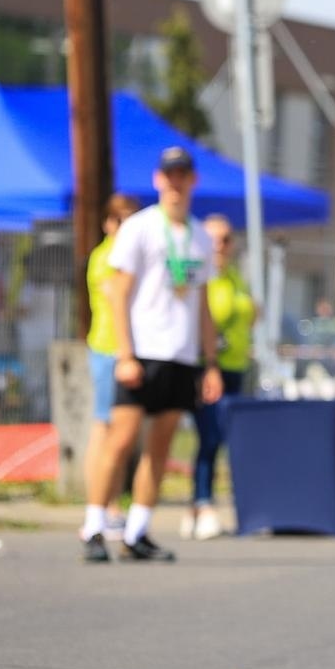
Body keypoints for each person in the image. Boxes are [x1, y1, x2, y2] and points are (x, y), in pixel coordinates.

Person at [80, 147, 223, 562]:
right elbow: (118, 294)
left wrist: (210, 363)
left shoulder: (199, 236)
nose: (176, 182)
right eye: (169, 175)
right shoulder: (140, 227)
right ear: (159, 179)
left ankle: (137, 531)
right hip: (142, 351)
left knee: (160, 447)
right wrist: (125, 354)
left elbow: (203, 305)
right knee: (120, 440)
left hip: (181, 355)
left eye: (183, 175)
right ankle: (94, 526)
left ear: (192, 180)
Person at [182, 214, 255, 541]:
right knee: (209, 435)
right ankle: (203, 502)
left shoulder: (235, 278)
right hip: (207, 367)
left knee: (224, 436)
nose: (220, 246)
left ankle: (197, 507)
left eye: (226, 239)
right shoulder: (201, 278)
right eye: (213, 240)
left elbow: (247, 312)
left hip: (235, 366)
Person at [80, 192, 141, 543]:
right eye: (120, 219)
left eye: (132, 219)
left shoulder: (126, 257)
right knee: (103, 428)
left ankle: (112, 506)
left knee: (119, 432)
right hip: (108, 350)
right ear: (107, 223)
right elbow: (119, 298)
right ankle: (104, 507)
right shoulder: (107, 257)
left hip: (123, 351)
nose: (126, 226)